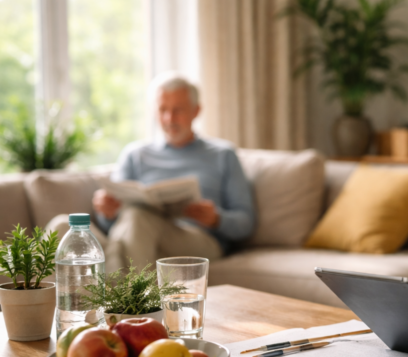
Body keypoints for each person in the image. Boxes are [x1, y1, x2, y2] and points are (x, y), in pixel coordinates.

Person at [50, 73, 256, 272]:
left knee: (139, 216)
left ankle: (119, 292)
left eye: (178, 110)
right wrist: (108, 211)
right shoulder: (135, 154)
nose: (169, 118)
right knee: (62, 227)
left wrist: (216, 218)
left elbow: (245, 223)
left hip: (197, 240)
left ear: (196, 110)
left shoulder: (223, 154)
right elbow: (110, 223)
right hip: (136, 241)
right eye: (162, 109)